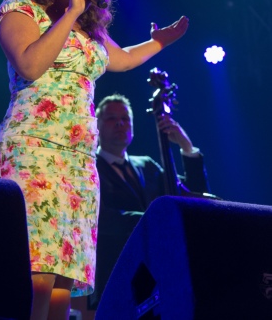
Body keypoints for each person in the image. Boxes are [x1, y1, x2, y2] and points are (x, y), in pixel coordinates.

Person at [0, 0, 189, 320]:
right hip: (33, 150)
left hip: (80, 165)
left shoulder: (87, 27)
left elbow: (121, 59)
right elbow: (30, 63)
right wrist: (71, 14)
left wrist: (160, 42)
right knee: (36, 272)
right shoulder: (21, 8)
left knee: (66, 276)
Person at [88, 93, 210, 309]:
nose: (119, 123)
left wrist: (186, 147)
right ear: (96, 126)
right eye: (111, 118)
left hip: (156, 275)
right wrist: (154, 220)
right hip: (114, 276)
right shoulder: (90, 167)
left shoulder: (148, 166)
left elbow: (193, 196)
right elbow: (101, 218)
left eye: (125, 118)